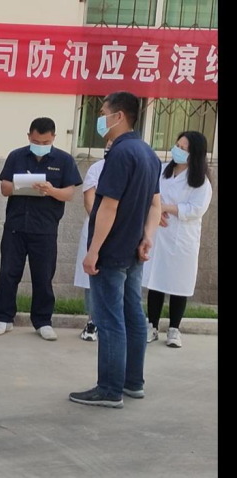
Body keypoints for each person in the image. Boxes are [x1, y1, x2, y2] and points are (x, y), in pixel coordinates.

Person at [70, 91, 162, 409]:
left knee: (109, 319)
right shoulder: (148, 153)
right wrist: (148, 237)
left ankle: (109, 389)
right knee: (133, 314)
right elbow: (155, 204)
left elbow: (108, 206)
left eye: (102, 113)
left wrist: (93, 250)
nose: (100, 119)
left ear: (118, 116)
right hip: (133, 249)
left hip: (112, 251)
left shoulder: (120, 153)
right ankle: (132, 382)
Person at [0, 118, 83, 341]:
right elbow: (4, 188)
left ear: (54, 138)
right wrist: (25, 185)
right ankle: (3, 318)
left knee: (43, 276)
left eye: (45, 142)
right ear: (29, 136)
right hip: (15, 227)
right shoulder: (16, 156)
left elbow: (69, 194)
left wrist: (50, 190)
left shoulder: (64, 160)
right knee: (8, 273)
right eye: (36, 141)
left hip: (45, 228)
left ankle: (43, 321)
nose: (40, 145)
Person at [142, 131, 213, 348]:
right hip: (159, 233)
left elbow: (195, 209)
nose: (178, 151)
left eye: (184, 149)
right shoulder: (162, 171)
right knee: (155, 281)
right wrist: (156, 211)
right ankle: (152, 325)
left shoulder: (201, 182)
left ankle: (174, 328)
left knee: (179, 283)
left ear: (195, 154)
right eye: (177, 146)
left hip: (182, 238)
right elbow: (149, 194)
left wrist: (167, 208)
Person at [74, 141, 111, 342]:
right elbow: (89, 202)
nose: (110, 148)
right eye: (108, 144)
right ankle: (92, 322)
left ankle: (112, 325)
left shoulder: (132, 167)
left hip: (122, 232)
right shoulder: (97, 169)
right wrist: (102, 226)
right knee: (91, 278)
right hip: (95, 227)